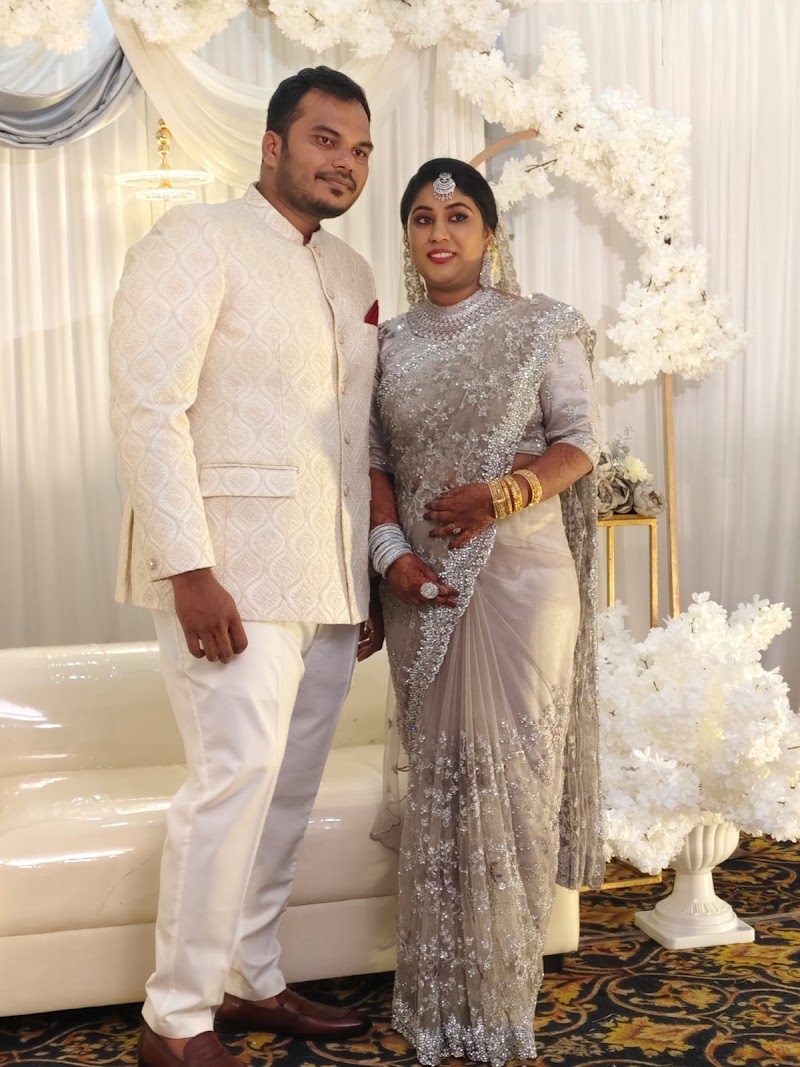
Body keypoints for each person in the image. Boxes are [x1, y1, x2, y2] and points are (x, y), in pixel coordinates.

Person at [109, 67, 383, 1067]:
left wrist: (361, 579)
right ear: (272, 145)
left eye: (358, 148)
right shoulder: (196, 238)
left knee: (286, 788)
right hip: (225, 573)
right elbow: (148, 408)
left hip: (325, 578)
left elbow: (354, 435)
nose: (343, 162)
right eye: (324, 139)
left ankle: (249, 972)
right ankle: (176, 1017)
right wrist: (188, 567)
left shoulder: (352, 270)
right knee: (234, 779)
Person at [368, 158, 605, 1067]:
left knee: (514, 787)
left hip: (523, 581)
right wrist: (389, 554)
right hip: (422, 588)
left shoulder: (541, 325)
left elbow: (578, 443)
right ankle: (438, 1006)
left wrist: (502, 495)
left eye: (459, 215)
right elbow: (374, 462)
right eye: (423, 218)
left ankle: (502, 1006)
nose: (440, 232)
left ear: (491, 233)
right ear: (407, 236)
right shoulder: (386, 344)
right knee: (442, 784)